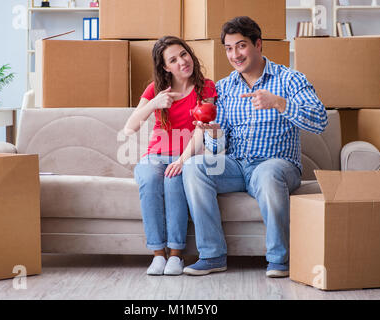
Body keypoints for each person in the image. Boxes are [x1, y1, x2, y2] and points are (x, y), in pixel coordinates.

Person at [181, 16, 328, 277]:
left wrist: (280, 103)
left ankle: (279, 260)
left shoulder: (289, 79)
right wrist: (213, 134)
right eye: (228, 48)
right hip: (237, 165)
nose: (235, 55)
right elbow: (218, 149)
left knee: (267, 173)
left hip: (278, 164)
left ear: (258, 44)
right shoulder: (225, 87)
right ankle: (212, 255)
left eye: (241, 46)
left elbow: (319, 121)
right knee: (194, 166)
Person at [123, 36, 217, 276]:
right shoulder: (155, 89)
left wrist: (182, 161)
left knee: (174, 179)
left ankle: (176, 254)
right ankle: (157, 254)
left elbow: (201, 132)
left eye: (183, 54)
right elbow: (129, 127)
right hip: (156, 154)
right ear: (165, 67)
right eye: (173, 60)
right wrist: (153, 103)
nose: (182, 62)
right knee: (149, 177)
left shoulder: (205, 87)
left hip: (187, 154)